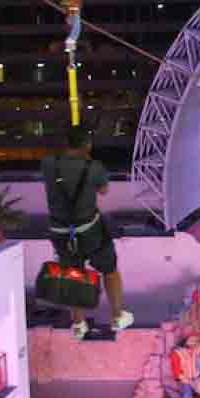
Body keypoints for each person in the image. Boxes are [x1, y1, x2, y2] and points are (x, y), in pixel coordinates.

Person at [43, 125, 135, 339]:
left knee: (73, 276)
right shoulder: (94, 167)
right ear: (87, 144)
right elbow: (103, 190)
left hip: (60, 232)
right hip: (89, 229)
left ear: (66, 144)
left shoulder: (48, 165)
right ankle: (117, 315)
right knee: (109, 269)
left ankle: (78, 323)